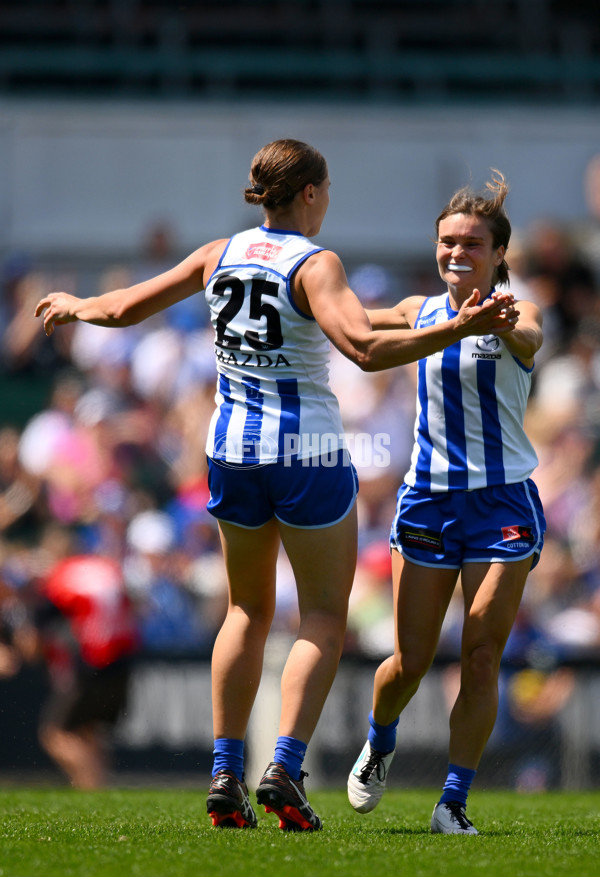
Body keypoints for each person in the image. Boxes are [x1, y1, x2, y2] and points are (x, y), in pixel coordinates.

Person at [36, 140, 517, 829]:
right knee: (321, 616)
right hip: (307, 451)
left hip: (230, 448)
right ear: (312, 194)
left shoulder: (218, 253)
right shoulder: (317, 263)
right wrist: (457, 327)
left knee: (244, 612)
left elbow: (122, 311)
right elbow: (362, 347)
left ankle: (225, 773)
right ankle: (284, 768)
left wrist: (77, 303)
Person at [347, 170, 545, 834]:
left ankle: (453, 800)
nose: (457, 254)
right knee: (410, 661)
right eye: (447, 243)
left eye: (471, 244)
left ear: (497, 254)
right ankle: (381, 737)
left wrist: (501, 325)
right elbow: (346, 324)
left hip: (502, 503)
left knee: (483, 650)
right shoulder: (418, 311)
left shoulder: (519, 308)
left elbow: (529, 341)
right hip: (428, 503)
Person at [22, 536, 139, 789]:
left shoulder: (62, 576)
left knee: (55, 733)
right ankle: (102, 789)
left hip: (93, 664)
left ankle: (92, 788)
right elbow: (133, 608)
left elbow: (35, 639)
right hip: (123, 662)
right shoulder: (106, 568)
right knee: (89, 729)